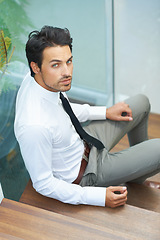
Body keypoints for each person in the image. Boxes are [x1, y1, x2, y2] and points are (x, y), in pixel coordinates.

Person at [14, 26, 160, 208]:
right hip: (88, 174)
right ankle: (137, 170)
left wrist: (104, 112)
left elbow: (63, 109)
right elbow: (43, 184)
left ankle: (136, 175)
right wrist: (97, 197)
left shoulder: (39, 81)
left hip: (85, 139)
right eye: (56, 65)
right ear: (35, 66)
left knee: (141, 103)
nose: (67, 72)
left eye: (69, 61)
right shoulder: (33, 126)